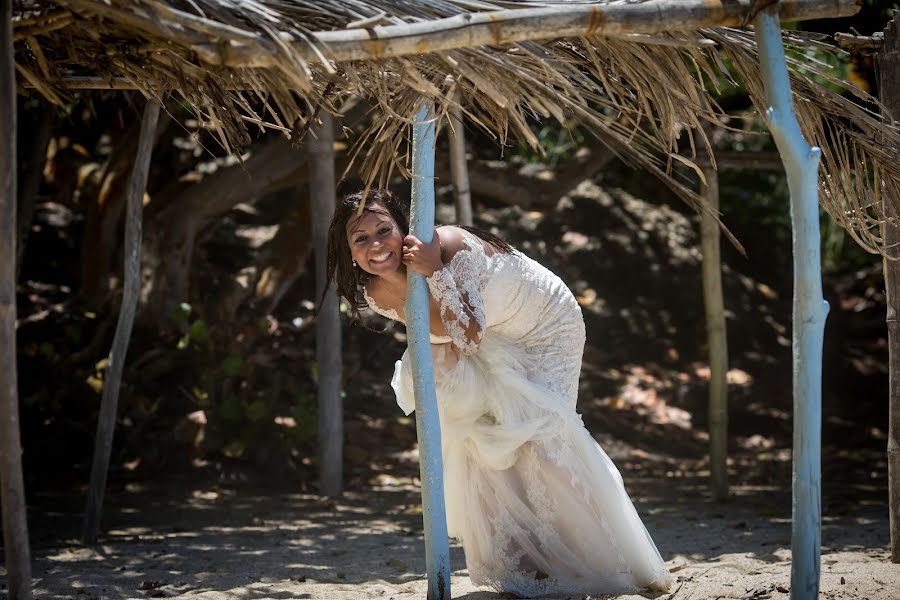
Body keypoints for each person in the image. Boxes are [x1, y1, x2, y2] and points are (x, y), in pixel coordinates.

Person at [326, 189, 673, 597]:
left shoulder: (447, 249)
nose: (376, 245)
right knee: (481, 435)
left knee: (542, 439)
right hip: (487, 337)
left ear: (403, 228)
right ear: (348, 250)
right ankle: (526, 562)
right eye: (360, 239)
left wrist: (435, 270)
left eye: (384, 230)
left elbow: (467, 334)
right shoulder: (376, 293)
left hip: (542, 326)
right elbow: (445, 337)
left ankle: (608, 559)